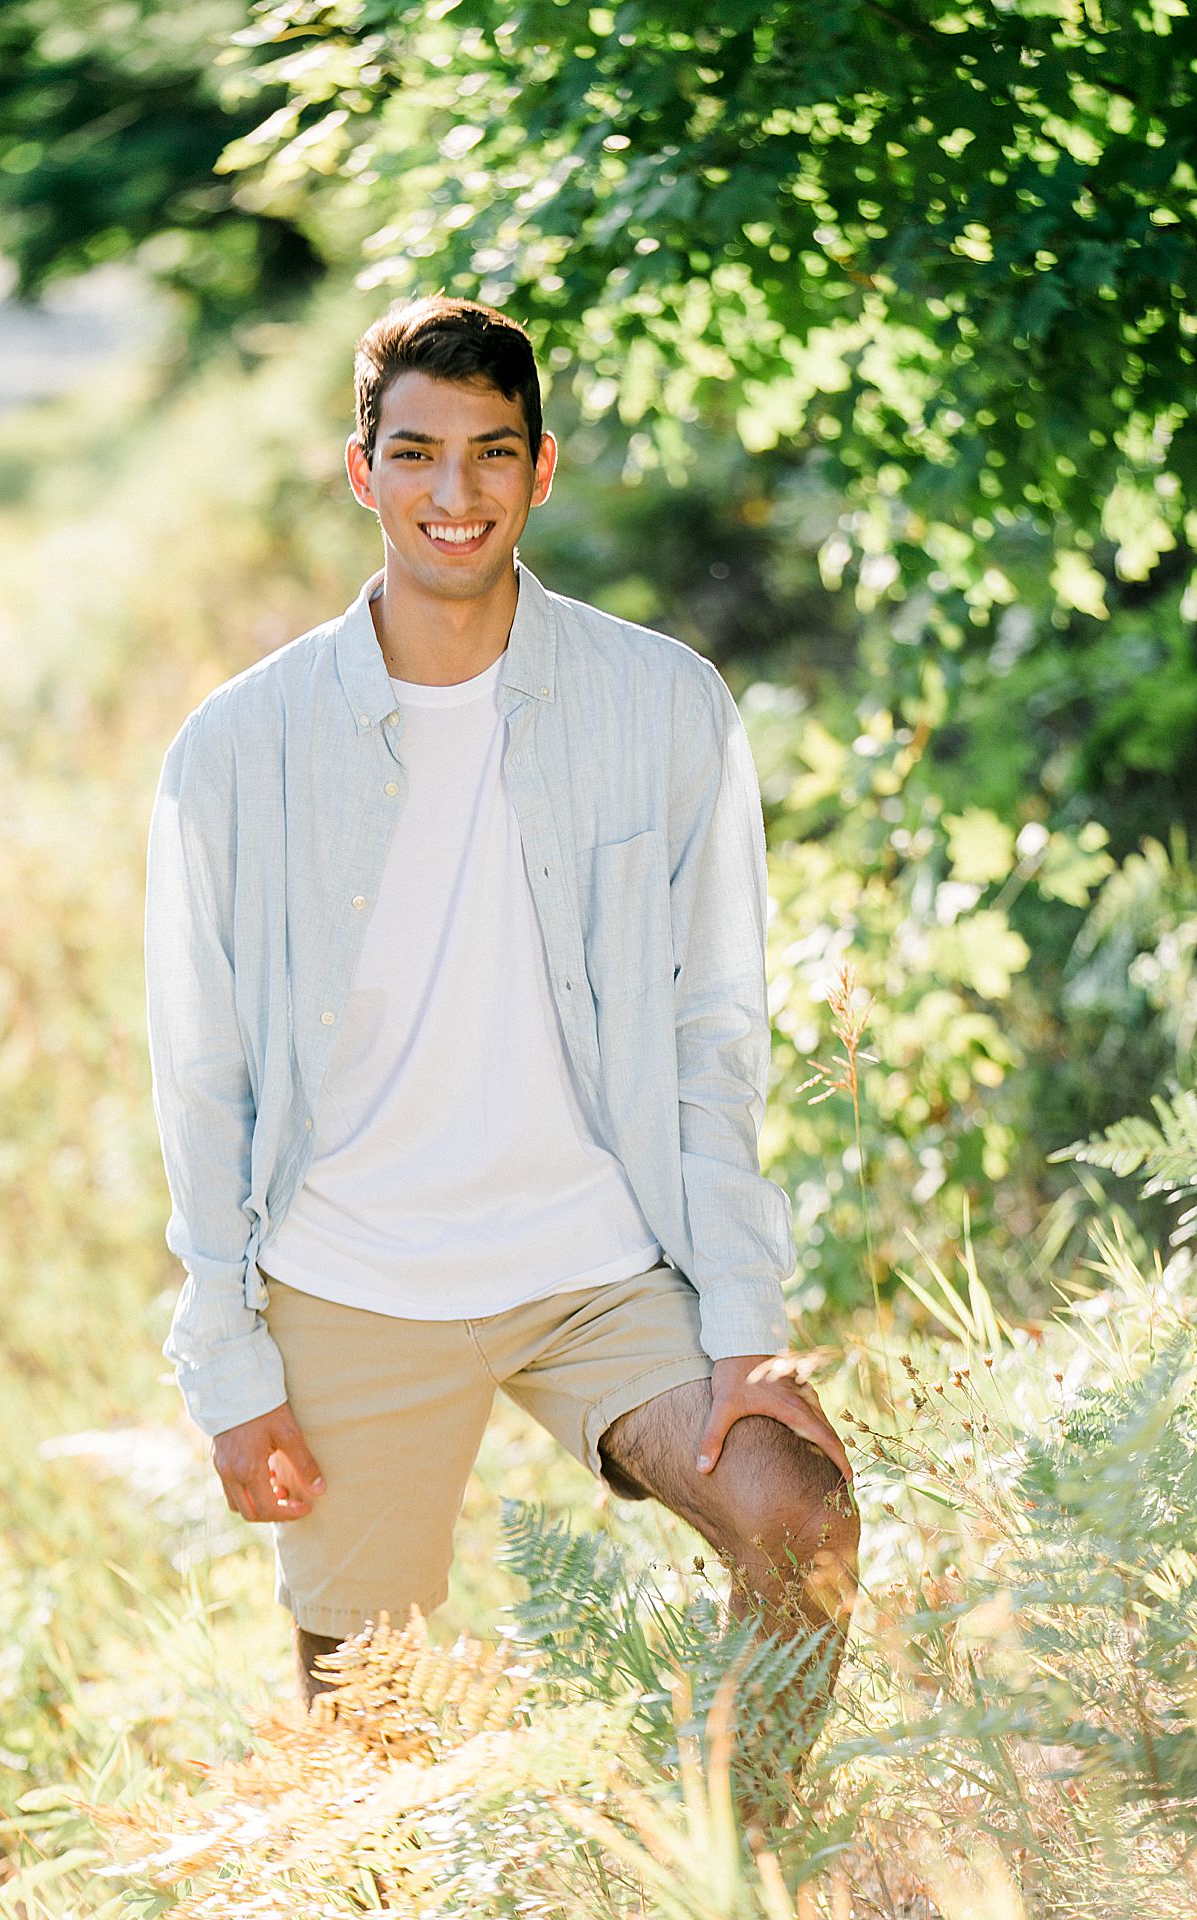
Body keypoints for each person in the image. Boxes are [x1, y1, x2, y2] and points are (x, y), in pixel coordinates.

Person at [144, 294, 859, 1723]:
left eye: (489, 453)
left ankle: (726, 1867)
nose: (452, 495)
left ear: (541, 469)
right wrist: (229, 1360)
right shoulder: (238, 747)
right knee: (370, 1729)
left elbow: (714, 1036)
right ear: (363, 473)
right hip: (351, 1280)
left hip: (596, 1265)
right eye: (415, 455)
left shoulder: (662, 704)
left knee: (806, 1528)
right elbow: (201, 1072)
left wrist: (744, 1321)